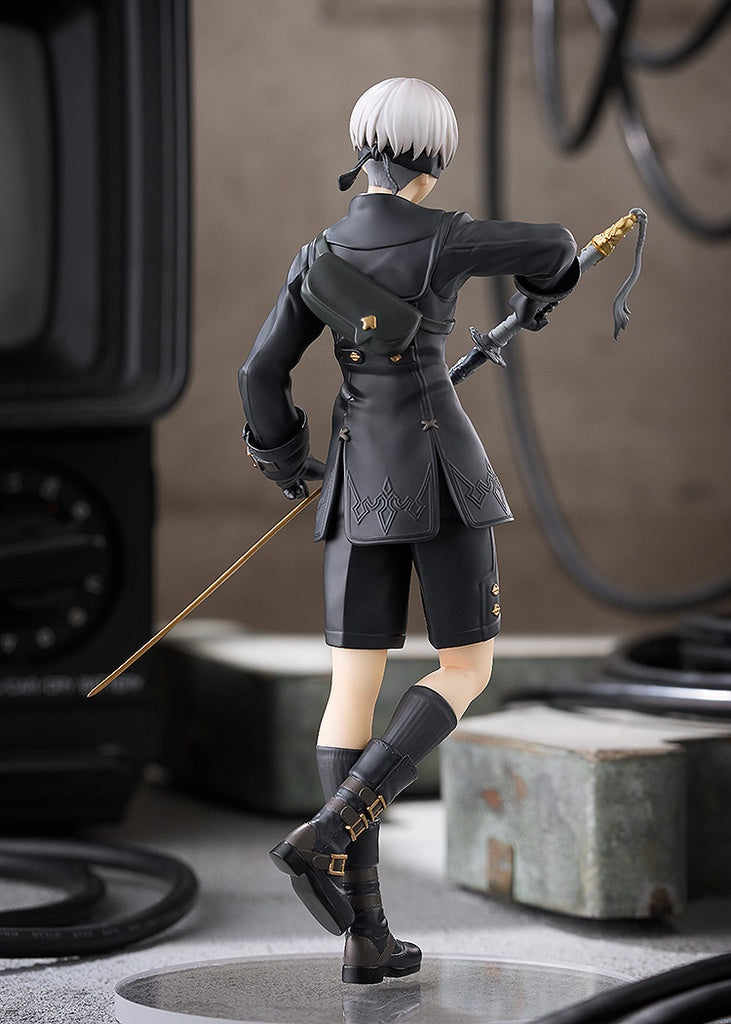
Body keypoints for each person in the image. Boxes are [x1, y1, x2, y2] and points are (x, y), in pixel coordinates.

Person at [238, 77, 578, 984]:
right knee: (466, 667)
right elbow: (554, 245)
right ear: (434, 156)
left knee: (350, 691)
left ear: (364, 150)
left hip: (356, 483)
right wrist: (544, 289)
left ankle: (365, 934)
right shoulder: (447, 237)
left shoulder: (317, 254)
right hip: (439, 473)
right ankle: (328, 829)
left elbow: (259, 375)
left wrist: (288, 465)